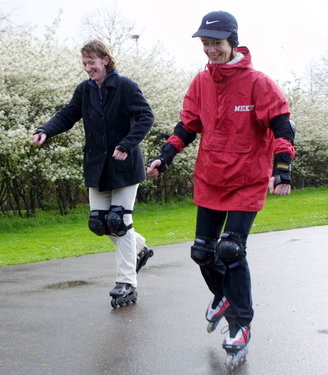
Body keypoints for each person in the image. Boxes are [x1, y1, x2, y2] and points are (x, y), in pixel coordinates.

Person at [146, 11, 295, 370]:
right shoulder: (201, 83)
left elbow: (281, 125)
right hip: (211, 177)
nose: (211, 49)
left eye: (216, 43)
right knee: (202, 252)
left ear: (233, 42)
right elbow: (187, 125)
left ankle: (241, 324)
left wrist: (283, 169)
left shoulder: (259, 83)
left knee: (230, 250)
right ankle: (222, 296)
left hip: (247, 178)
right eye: (206, 44)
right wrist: (165, 157)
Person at [31, 40, 155, 308]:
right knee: (100, 223)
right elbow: (67, 115)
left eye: (92, 62)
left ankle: (127, 283)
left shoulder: (125, 86)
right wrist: (46, 130)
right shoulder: (85, 91)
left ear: (106, 60)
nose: (88, 68)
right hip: (97, 166)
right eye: (85, 63)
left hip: (124, 166)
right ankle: (140, 248)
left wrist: (126, 144)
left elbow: (146, 117)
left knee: (119, 221)